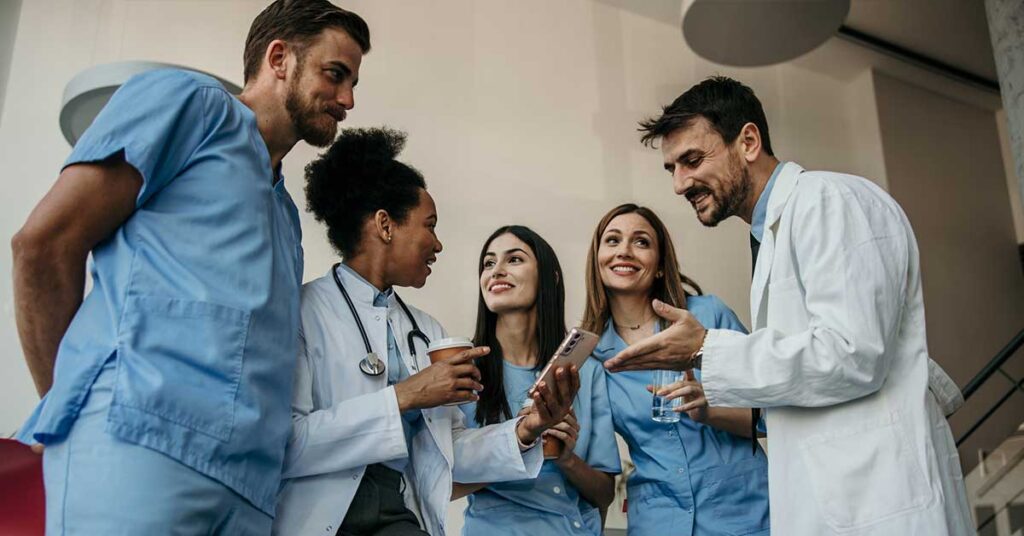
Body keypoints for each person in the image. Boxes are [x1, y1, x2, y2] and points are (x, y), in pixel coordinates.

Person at [11, 1, 369, 533]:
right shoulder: (193, 106)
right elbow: (44, 244)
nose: (347, 100)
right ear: (278, 58)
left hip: (248, 491)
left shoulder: (285, 215)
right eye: (335, 74)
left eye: (353, 83)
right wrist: (70, 407)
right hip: (137, 448)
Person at [605, 76, 973, 535]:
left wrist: (704, 349)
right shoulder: (770, 234)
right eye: (672, 169)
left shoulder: (828, 201)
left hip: (879, 500)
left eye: (692, 160)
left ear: (749, 141)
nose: (680, 184)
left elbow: (854, 353)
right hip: (831, 498)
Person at [273, 128, 580, 535]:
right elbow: (285, 444)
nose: (438, 244)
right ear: (385, 225)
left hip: (401, 514)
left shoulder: (426, 330)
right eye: (430, 226)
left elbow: (448, 452)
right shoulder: (301, 312)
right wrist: (405, 396)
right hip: (320, 517)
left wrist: (526, 430)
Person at [582, 204, 769, 536]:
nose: (624, 250)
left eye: (641, 242)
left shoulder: (707, 316)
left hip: (744, 514)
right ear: (597, 260)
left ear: (658, 265)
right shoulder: (591, 355)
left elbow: (768, 416)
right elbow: (594, 461)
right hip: (657, 521)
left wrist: (709, 410)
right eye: (612, 240)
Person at [453, 225, 621, 535]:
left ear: (551, 277)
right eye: (488, 263)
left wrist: (567, 458)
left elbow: (604, 494)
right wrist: (521, 439)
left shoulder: (586, 370)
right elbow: (446, 485)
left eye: (514, 259)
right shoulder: (462, 369)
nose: (497, 271)